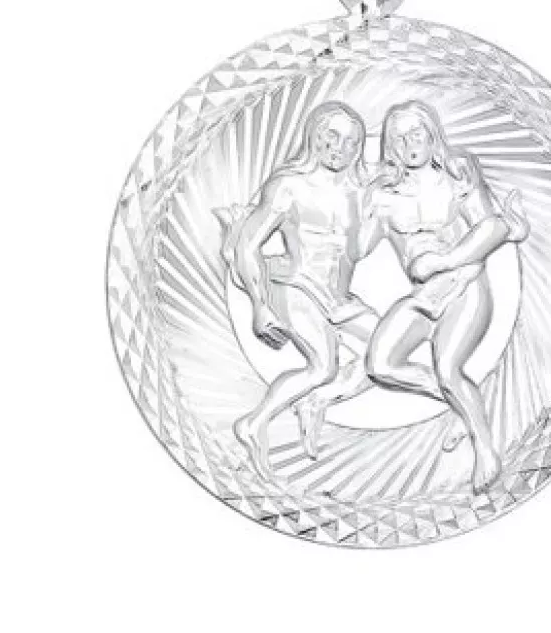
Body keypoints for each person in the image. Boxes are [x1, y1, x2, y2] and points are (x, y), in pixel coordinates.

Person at [361, 100, 529, 493]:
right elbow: (357, 249)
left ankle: (485, 448)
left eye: (416, 133)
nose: (409, 144)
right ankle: (463, 404)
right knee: (380, 364)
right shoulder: (384, 194)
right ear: (389, 145)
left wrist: (446, 262)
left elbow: (491, 227)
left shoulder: (457, 173)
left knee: (449, 368)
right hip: (424, 296)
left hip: (464, 285)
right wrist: (359, 202)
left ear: (432, 134)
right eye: (399, 138)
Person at [215, 101, 375, 479]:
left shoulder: (361, 190)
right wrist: (259, 306)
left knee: (386, 352)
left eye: (351, 142)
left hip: (339, 298)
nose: (340, 148)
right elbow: (248, 245)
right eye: (332, 136)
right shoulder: (288, 186)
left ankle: (316, 400)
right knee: (323, 365)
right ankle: (253, 424)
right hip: (295, 284)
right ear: (314, 136)